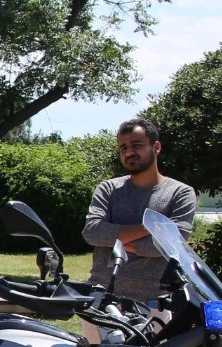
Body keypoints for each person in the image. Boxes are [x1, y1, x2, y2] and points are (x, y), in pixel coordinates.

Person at [84, 118, 198, 303]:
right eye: (123, 148)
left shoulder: (180, 192)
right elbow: (92, 232)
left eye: (136, 145)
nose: (129, 152)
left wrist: (115, 242)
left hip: (156, 303)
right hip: (101, 296)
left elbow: (172, 245)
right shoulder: (108, 189)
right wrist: (151, 226)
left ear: (156, 147)